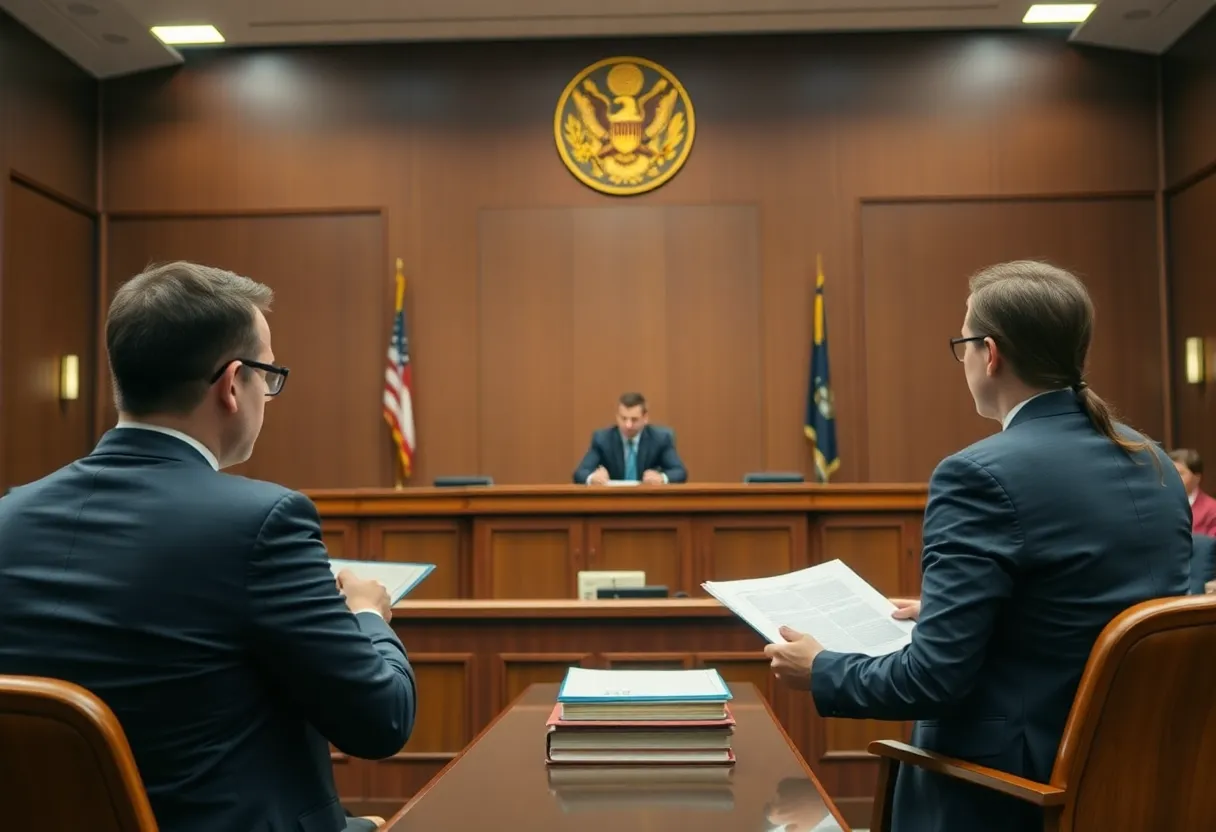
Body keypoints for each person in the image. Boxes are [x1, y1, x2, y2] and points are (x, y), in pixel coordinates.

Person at [763, 260, 1191, 832]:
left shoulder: (977, 476)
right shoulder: (1154, 461)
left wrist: (822, 668)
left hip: (1007, 795)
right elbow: (1075, 612)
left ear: (989, 354)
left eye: (961, 343)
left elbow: (932, 680)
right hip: (1137, 783)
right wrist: (949, 614)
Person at [0, 262, 416, 832]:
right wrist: (370, 614)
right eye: (268, 375)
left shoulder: (9, 516)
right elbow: (381, 722)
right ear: (231, 384)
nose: (268, 395)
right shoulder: (263, 523)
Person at [573, 392, 687, 484]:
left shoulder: (660, 438)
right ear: (617, 416)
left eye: (634, 419)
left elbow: (679, 472)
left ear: (645, 418)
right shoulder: (603, 439)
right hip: (612, 503)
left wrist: (662, 478)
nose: (628, 425)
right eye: (623, 418)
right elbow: (580, 473)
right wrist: (592, 477)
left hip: (649, 503)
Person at [1168, 448, 1216, 536]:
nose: (1173, 478)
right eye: (1169, 473)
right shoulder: (1160, 504)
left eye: (1180, 473)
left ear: (1197, 477)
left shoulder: (1212, 510)